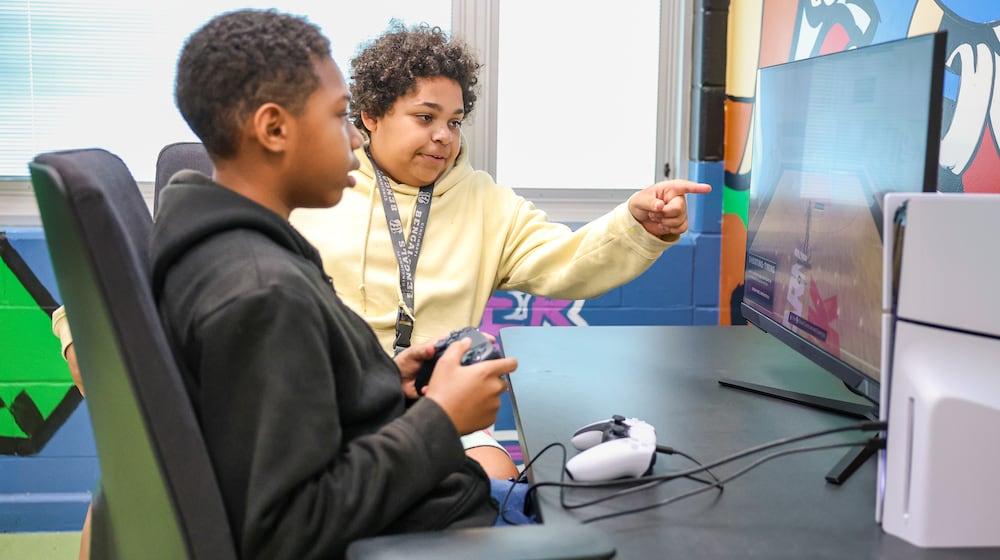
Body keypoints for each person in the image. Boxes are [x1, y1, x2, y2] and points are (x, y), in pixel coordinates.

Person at [105, 9, 515, 558]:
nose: (353, 136)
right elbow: (290, 527)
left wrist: (386, 383)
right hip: (428, 527)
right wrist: (441, 420)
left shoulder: (223, 243)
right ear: (274, 128)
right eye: (341, 115)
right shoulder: (262, 291)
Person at [289, 23, 713, 478]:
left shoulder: (485, 202)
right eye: (425, 117)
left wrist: (636, 222)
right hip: (334, 408)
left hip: (442, 407)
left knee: (504, 486)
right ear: (371, 116)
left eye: (453, 122)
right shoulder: (321, 190)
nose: (443, 137)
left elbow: (566, 260)